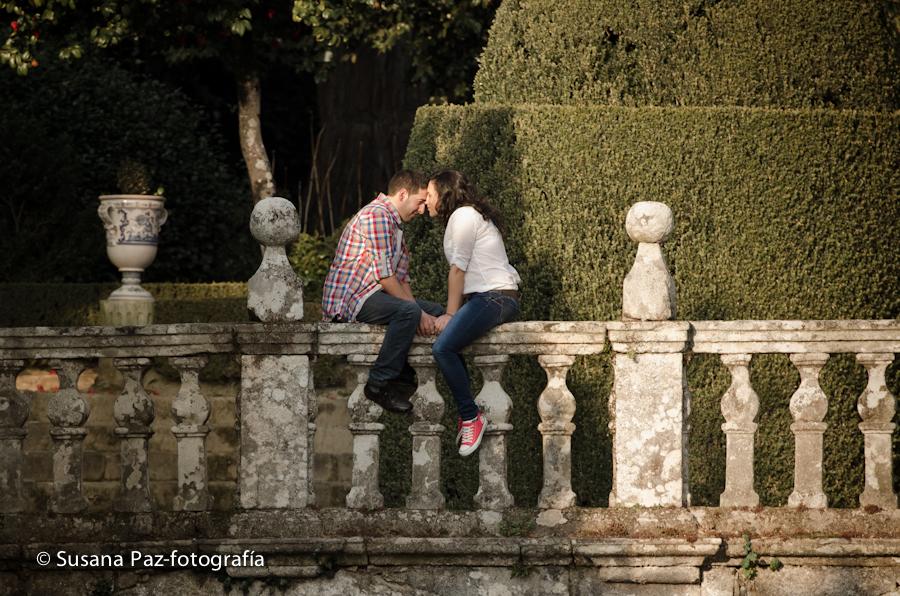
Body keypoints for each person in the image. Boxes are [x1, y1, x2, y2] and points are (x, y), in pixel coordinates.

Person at [322, 170, 445, 414]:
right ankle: (379, 383)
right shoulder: (376, 216)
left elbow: (402, 280)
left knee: (437, 312)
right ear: (402, 194)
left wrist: (423, 313)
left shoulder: (395, 226)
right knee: (410, 312)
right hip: (352, 299)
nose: (422, 210)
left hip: (375, 295)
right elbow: (386, 278)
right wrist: (418, 314)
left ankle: (403, 375)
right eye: (420, 202)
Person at [425, 169, 521, 456]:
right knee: (426, 315)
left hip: (495, 297)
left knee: (442, 348)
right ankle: (469, 414)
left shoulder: (464, 216)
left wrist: (452, 316)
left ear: (444, 194)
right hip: (488, 298)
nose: (426, 201)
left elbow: (458, 270)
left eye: (429, 194)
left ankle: (470, 417)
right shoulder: (466, 216)